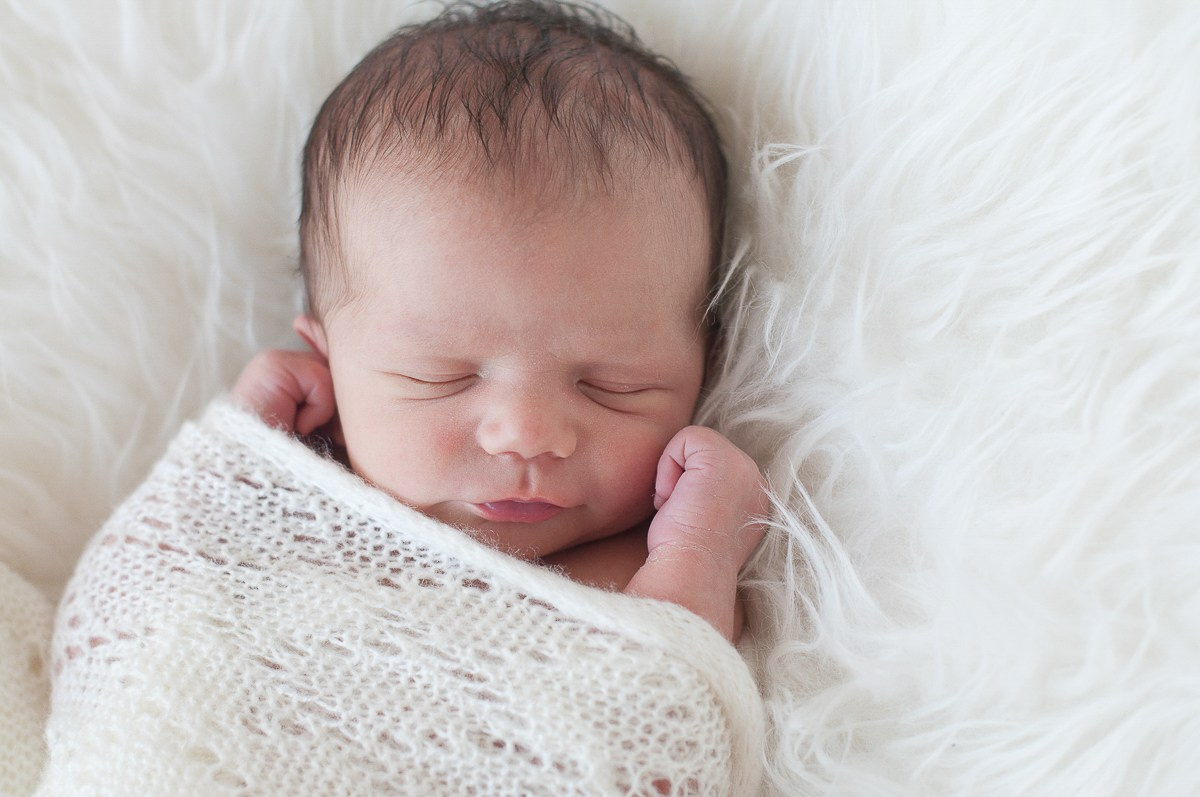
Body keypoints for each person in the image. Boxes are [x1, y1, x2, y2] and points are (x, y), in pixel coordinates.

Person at [231, 0, 767, 642]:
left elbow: (675, 697)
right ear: (329, 370)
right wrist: (247, 457)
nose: (526, 435)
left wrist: (704, 548)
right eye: (441, 377)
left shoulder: (648, 561)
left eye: (613, 385)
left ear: (704, 366)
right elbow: (153, 607)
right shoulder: (308, 523)